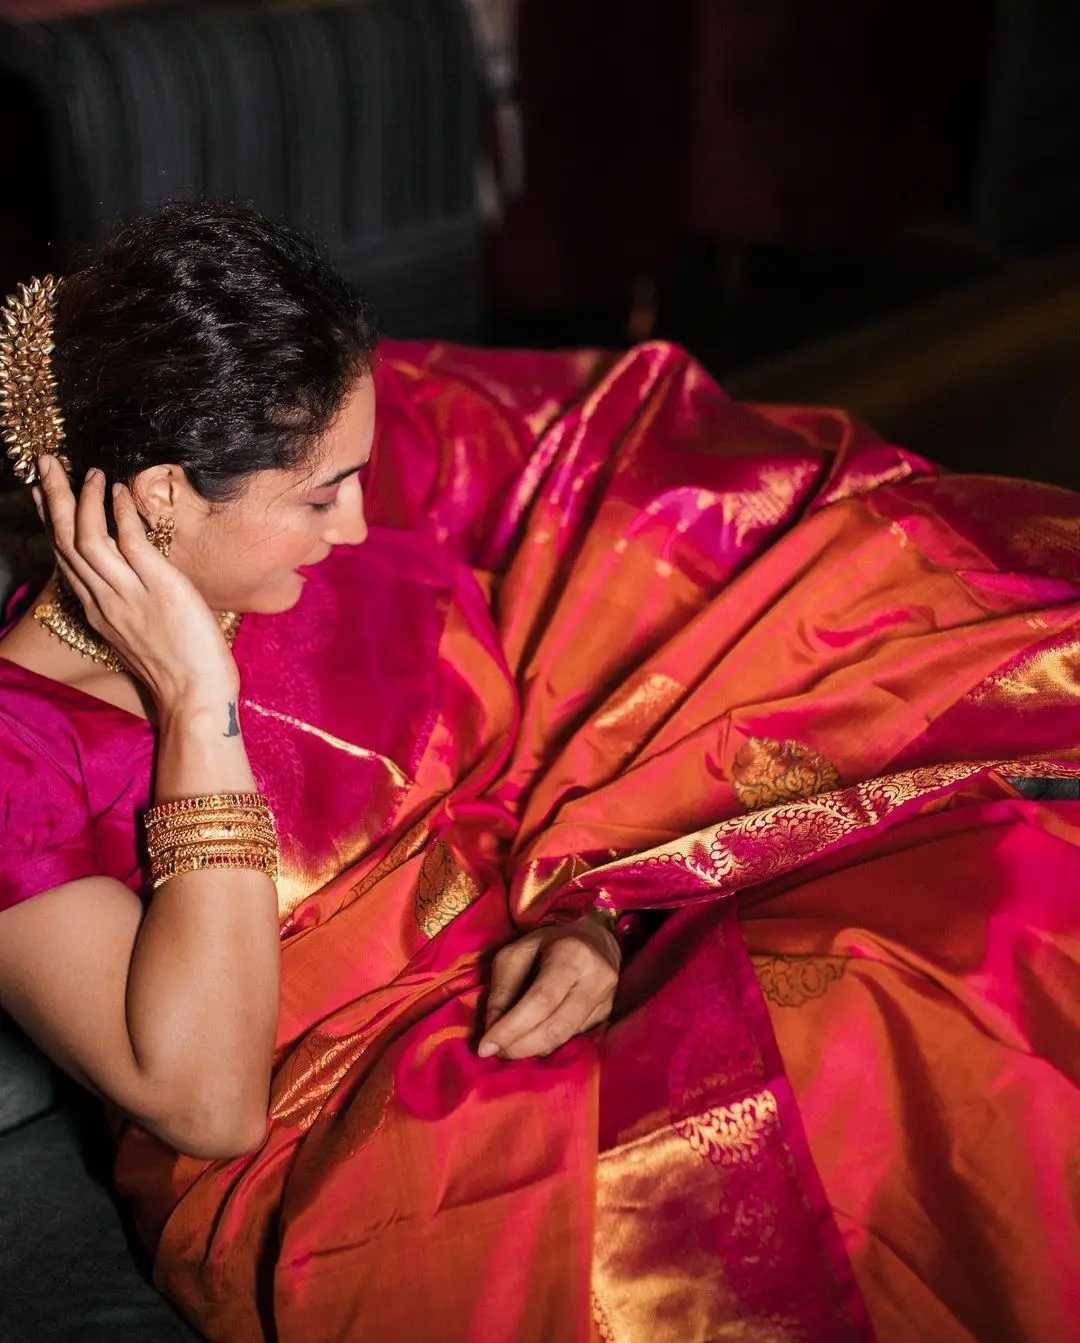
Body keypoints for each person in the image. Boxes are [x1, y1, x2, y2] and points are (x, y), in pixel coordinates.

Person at [0, 201, 1078, 1343]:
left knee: (989, 933)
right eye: (320, 495)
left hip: (544, 973)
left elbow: (526, 761)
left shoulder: (301, 560)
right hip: (343, 1141)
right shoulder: (22, 744)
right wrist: (195, 702)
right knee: (802, 1120)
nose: (359, 526)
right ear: (164, 494)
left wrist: (589, 920)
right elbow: (210, 1103)